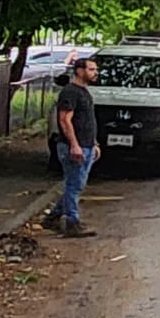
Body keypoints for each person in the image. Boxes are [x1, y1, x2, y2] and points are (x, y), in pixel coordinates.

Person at [45, 52, 101, 238]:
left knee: (76, 184)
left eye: (95, 69)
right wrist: (74, 145)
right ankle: (72, 222)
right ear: (79, 71)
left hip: (86, 144)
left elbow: (86, 121)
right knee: (74, 185)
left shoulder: (84, 92)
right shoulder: (70, 92)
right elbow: (64, 120)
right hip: (74, 146)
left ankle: (53, 217)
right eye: (91, 69)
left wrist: (93, 143)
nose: (95, 73)